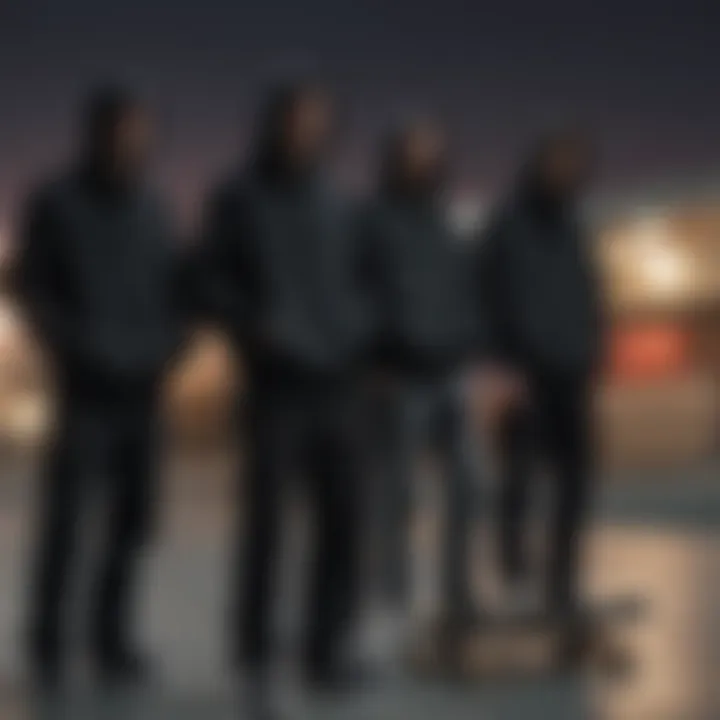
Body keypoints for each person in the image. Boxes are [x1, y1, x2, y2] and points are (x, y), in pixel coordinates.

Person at [199, 80, 369, 695]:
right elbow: (209, 281)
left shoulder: (340, 203)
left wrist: (356, 329)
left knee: (344, 524)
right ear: (273, 123)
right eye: (294, 119)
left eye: (316, 120)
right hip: (274, 392)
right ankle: (255, 661)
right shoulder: (236, 197)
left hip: (337, 388)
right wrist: (254, 328)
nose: (305, 130)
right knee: (266, 530)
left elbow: (364, 283)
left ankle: (327, 653)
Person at [16, 86, 187, 688]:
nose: (131, 142)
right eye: (121, 130)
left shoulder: (156, 209)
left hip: (142, 394)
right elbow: (33, 288)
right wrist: (75, 347)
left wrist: (169, 348)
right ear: (97, 133)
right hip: (85, 393)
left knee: (131, 524)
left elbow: (179, 292)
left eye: (140, 131)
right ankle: (49, 651)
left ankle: (111, 644)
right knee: (67, 525)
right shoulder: (56, 202)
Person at [473, 127, 604, 618]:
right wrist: (498, 365)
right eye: (558, 162)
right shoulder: (505, 226)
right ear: (538, 165)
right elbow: (480, 295)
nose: (567, 173)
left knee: (576, 482)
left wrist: (593, 349)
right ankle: (515, 577)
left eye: (575, 165)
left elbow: (590, 292)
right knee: (520, 480)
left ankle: (562, 584)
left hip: (571, 374)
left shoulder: (573, 227)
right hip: (523, 375)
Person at [359, 119, 479, 638]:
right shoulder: (371, 221)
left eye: (432, 153)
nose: (425, 162)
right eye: (415, 153)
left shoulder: (445, 220)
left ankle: (459, 595)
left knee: (472, 484)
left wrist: (468, 344)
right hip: (397, 377)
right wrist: (371, 362)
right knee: (396, 493)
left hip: (450, 374)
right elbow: (354, 294)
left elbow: (463, 287)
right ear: (394, 159)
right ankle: (391, 600)